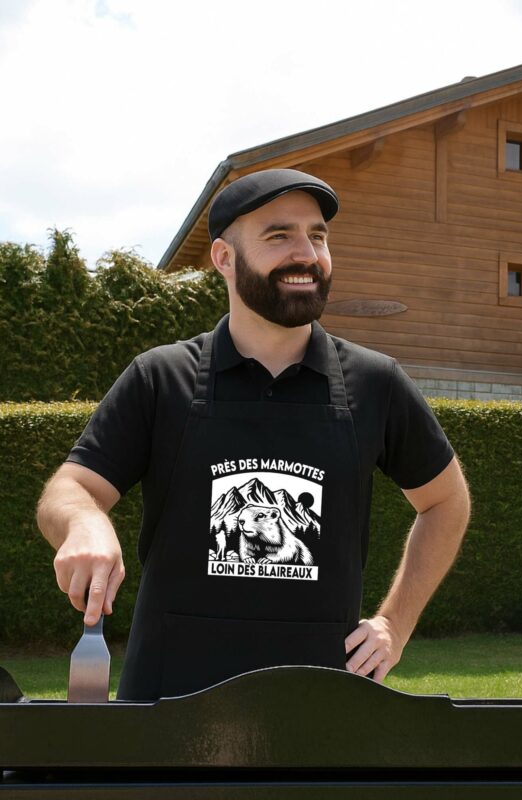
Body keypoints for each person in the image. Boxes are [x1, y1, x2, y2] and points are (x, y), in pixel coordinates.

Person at [37, 168, 470, 700]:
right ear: (224, 258)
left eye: (317, 236)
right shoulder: (160, 378)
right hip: (166, 706)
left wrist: (394, 625)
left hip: (322, 706)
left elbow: (446, 501)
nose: (307, 253)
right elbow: (68, 490)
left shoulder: (375, 383)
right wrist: (83, 522)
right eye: (279, 235)